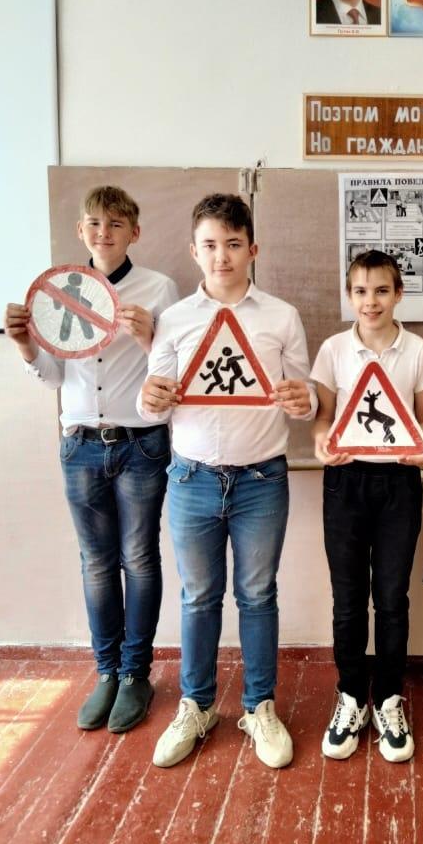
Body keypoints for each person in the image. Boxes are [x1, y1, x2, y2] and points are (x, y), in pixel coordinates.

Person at [139, 193, 316, 770]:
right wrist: (148, 399)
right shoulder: (174, 319)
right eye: (211, 245)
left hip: (262, 478)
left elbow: (305, 396)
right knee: (198, 597)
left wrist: (305, 400)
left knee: (258, 596)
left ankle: (260, 706)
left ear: (253, 250)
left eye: (234, 245)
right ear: (194, 251)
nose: (222, 256)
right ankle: (196, 706)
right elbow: (154, 397)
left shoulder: (282, 316)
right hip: (190, 476)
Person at [3, 186, 178, 734]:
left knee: (139, 558)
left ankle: (135, 674)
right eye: (95, 223)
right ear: (81, 231)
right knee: (96, 562)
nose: (104, 232)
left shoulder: (159, 288)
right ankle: (106, 672)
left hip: (141, 442)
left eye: (116, 223)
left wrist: (150, 338)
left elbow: (175, 369)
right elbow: (53, 377)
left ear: (134, 233)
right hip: (80, 443)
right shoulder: (59, 293)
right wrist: (26, 346)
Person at [311, 250, 423, 762]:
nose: (371, 301)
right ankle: (350, 696)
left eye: (382, 290)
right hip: (344, 482)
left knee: (391, 598)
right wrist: (322, 442)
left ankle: (388, 698)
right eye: (361, 291)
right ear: (349, 296)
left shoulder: (419, 351)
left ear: (398, 294)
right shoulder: (333, 350)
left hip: (398, 483)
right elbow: (324, 419)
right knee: (347, 598)